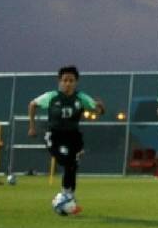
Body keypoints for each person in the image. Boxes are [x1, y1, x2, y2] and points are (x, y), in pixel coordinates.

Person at [28, 66, 106, 213]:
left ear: (76, 82)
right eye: (65, 80)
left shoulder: (80, 98)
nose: (68, 83)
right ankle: (65, 196)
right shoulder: (52, 97)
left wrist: (101, 108)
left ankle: (68, 198)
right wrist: (31, 127)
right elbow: (32, 104)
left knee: (72, 166)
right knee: (67, 161)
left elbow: (97, 109)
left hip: (74, 137)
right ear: (60, 81)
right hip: (55, 136)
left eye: (71, 80)